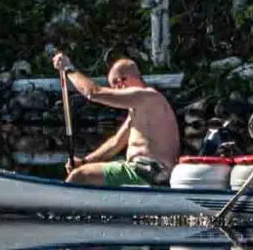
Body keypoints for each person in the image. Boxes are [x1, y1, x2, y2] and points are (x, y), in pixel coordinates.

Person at [51, 52, 180, 186]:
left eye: (114, 86)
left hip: (148, 170)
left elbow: (94, 93)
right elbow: (115, 143)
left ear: (120, 82)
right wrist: (84, 162)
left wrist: (69, 69)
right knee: (86, 171)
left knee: (80, 176)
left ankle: (57, 204)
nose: (116, 90)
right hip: (150, 172)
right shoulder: (141, 110)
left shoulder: (147, 96)